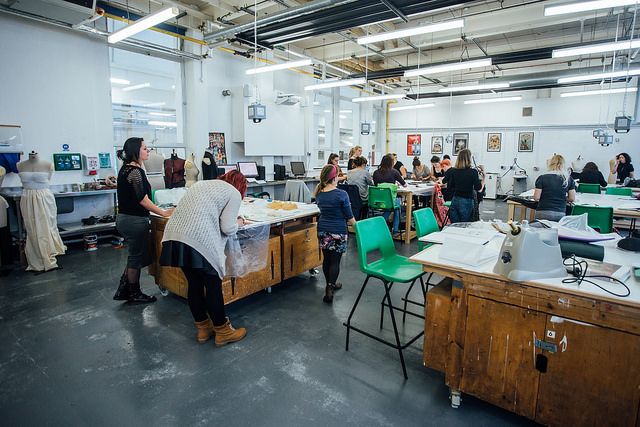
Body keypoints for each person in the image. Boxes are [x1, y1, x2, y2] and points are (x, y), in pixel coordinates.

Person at [160, 171, 248, 346]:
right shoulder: (233, 192)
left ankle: (203, 328)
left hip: (175, 235)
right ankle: (223, 331)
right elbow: (228, 228)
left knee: (194, 284)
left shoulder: (202, 184)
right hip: (198, 240)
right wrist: (239, 222)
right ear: (241, 186)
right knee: (212, 285)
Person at [114, 137, 172, 304]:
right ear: (135, 151)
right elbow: (143, 200)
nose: (148, 151)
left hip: (125, 219)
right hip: (133, 220)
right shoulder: (135, 171)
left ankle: (124, 289)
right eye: (145, 148)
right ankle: (134, 293)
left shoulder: (126, 169)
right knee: (135, 257)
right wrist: (162, 212)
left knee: (135, 255)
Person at [314, 164, 356, 304]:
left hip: (322, 229)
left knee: (327, 259)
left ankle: (329, 284)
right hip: (338, 230)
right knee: (335, 261)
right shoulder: (341, 194)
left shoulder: (319, 193)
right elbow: (349, 216)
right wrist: (358, 228)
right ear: (335, 178)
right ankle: (330, 287)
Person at [443, 149, 484, 223]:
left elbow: (450, 187)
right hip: (466, 201)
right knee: (464, 226)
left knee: (454, 225)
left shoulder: (453, 171)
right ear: (469, 159)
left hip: (455, 200)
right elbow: (479, 189)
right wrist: (484, 177)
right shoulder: (473, 172)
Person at [533, 154, 576, 221]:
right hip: (560, 213)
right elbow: (572, 198)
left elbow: (536, 197)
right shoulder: (568, 179)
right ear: (563, 165)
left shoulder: (542, 178)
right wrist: (561, 198)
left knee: (541, 231)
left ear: (550, 164)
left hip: (543, 212)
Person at [373, 154, 406, 236]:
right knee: (397, 204)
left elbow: (376, 185)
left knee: (392, 205)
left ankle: (380, 223)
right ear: (391, 162)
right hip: (389, 200)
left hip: (378, 200)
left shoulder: (375, 172)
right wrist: (395, 184)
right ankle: (395, 230)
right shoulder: (394, 172)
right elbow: (404, 185)